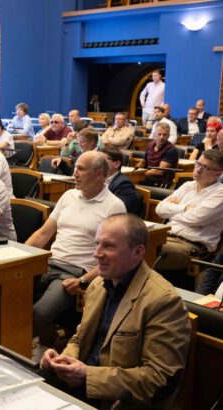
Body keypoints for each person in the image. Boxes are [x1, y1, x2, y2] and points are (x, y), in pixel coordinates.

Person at [41, 214, 190, 408]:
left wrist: (87, 375)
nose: (96, 253)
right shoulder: (97, 285)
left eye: (108, 246)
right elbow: (80, 339)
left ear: (137, 252)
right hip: (79, 384)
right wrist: (64, 360)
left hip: (113, 399)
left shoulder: (163, 301)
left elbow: (159, 379)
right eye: (97, 244)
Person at [25, 151, 126, 355]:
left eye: (80, 169)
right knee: (11, 296)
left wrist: (83, 280)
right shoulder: (68, 195)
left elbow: (114, 256)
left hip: (75, 272)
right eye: (75, 167)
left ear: (99, 174)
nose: (74, 173)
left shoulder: (114, 206)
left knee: (39, 312)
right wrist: (19, 256)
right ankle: (32, 342)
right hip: (48, 262)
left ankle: (46, 346)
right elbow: (44, 233)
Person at [155, 149, 223, 273]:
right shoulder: (188, 185)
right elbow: (159, 209)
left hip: (191, 246)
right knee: (128, 240)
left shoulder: (220, 193)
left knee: (144, 248)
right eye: (198, 164)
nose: (198, 169)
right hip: (166, 236)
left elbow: (195, 218)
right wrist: (184, 208)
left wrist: (172, 212)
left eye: (205, 167)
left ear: (218, 174)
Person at [100, 147, 139, 214]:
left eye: (103, 160)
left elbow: (118, 211)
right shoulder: (98, 179)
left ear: (117, 164)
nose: (99, 163)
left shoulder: (124, 184)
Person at [139, 122, 179, 187]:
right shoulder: (150, 145)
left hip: (161, 181)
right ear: (155, 134)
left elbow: (159, 171)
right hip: (148, 176)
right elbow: (143, 162)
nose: (161, 137)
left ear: (168, 135)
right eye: (159, 134)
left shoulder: (171, 150)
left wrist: (140, 174)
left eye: (164, 135)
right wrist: (134, 170)